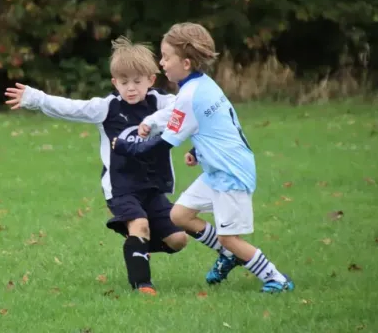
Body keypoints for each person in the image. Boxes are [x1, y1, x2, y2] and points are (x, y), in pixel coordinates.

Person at [112, 23, 294, 293]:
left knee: (229, 237)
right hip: (217, 171)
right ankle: (230, 255)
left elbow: (161, 146)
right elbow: (217, 125)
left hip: (231, 174)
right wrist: (196, 150)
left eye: (166, 57)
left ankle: (276, 278)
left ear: (185, 62)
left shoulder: (191, 95)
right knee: (180, 215)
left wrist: (126, 147)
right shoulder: (201, 85)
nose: (161, 63)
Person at [4, 37, 188, 295]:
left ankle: (136, 245)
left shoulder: (162, 103)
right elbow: (70, 108)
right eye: (124, 83)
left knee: (179, 240)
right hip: (122, 187)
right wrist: (34, 98)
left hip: (154, 187)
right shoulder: (106, 108)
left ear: (151, 79)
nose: (131, 88)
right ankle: (142, 285)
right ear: (115, 82)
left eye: (137, 82)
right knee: (140, 225)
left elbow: (190, 106)